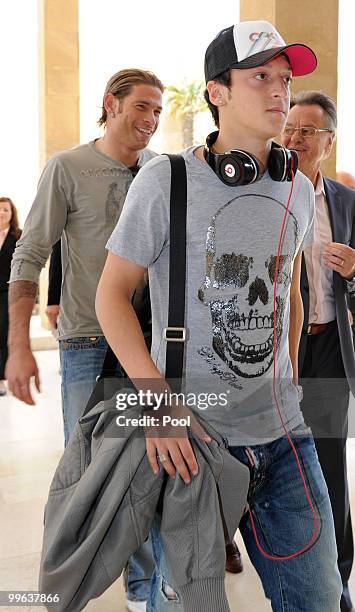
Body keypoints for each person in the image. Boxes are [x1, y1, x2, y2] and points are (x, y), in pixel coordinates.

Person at [96, 21, 342, 611]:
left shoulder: (298, 190)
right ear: (218, 91)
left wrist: (287, 380)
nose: (279, 91)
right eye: (260, 77)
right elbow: (112, 296)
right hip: (190, 443)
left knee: (318, 598)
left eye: (284, 79)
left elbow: (288, 291)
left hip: (284, 435)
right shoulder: (166, 181)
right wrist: (156, 404)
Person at [6, 68, 164, 612]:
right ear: (110, 104)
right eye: (141, 107)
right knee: (86, 473)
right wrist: (19, 345)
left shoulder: (160, 172)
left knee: (145, 468)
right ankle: (61, 583)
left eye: (157, 112)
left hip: (147, 345)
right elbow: (29, 254)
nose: (149, 120)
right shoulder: (68, 168)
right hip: (85, 344)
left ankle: (144, 589)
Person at [282, 90, 355, 612]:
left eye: (307, 131)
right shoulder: (263, 192)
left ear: (328, 142)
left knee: (329, 464)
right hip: (272, 356)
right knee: (270, 462)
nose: (294, 139)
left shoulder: (348, 203)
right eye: (289, 128)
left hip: (327, 346)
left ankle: (338, 579)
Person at [0, 197, 21, 396]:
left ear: (11, 213)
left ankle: (1, 378)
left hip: (8, 293)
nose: (1, 213)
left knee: (4, 335)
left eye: (5, 209)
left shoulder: (18, 237)